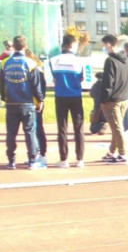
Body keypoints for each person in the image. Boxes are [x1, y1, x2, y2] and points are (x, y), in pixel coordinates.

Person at [1, 35, 46, 169]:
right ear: (25, 46)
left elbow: (1, 83)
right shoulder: (31, 63)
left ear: (13, 46)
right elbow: (36, 85)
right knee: (30, 132)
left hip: (11, 103)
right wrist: (40, 100)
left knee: (11, 133)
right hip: (26, 103)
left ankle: (11, 160)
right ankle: (32, 160)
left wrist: (4, 97)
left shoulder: (4, 63)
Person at [49, 34, 86, 168]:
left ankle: (64, 159)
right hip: (76, 96)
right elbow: (82, 79)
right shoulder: (79, 61)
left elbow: (53, 78)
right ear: (72, 45)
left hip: (60, 96)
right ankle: (80, 159)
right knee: (79, 127)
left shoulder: (53, 60)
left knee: (62, 128)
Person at [99, 34, 128, 164]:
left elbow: (108, 82)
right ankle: (112, 151)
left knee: (117, 129)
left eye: (105, 46)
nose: (104, 48)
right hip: (124, 97)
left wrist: (103, 99)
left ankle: (122, 154)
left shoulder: (110, 61)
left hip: (113, 100)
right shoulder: (125, 59)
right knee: (115, 127)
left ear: (109, 45)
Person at [25, 49, 49, 166]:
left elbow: (41, 88)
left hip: (36, 103)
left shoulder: (37, 70)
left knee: (37, 127)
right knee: (31, 129)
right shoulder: (33, 69)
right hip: (30, 102)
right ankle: (34, 153)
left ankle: (42, 154)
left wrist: (40, 100)